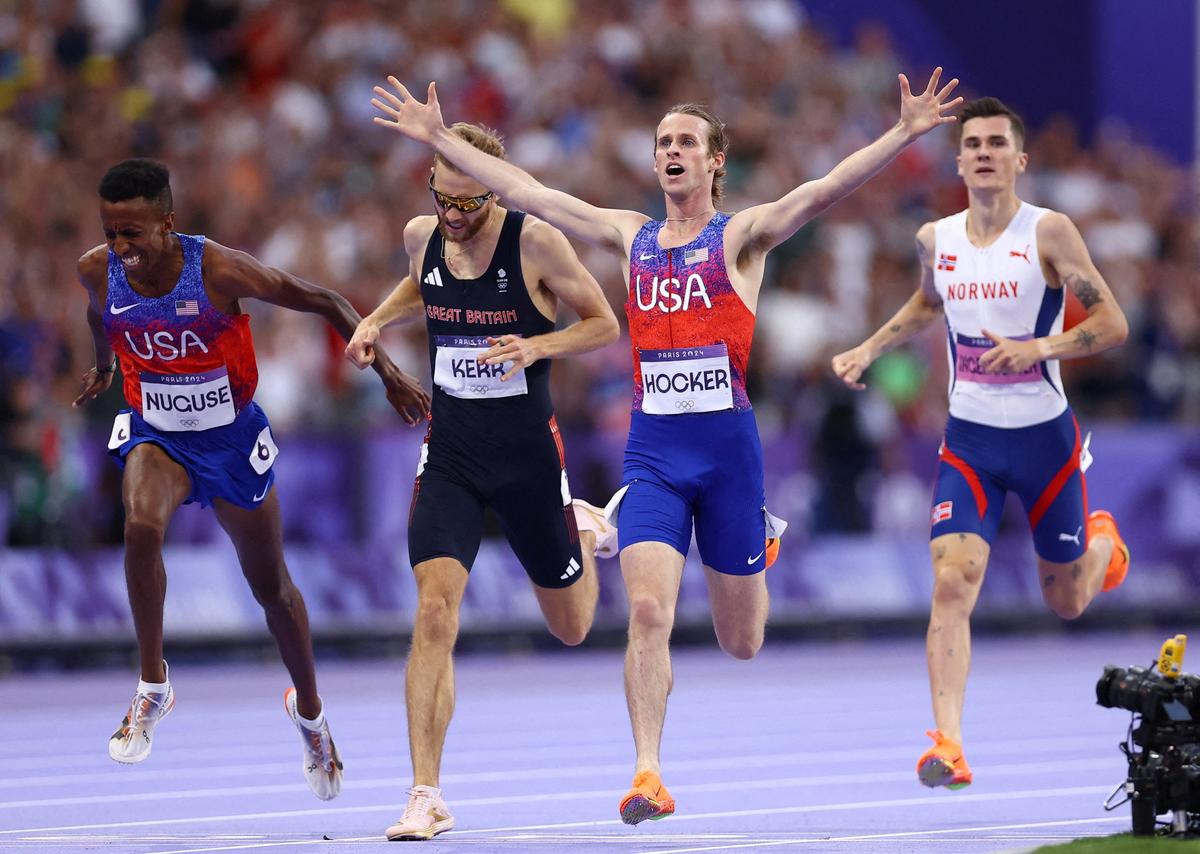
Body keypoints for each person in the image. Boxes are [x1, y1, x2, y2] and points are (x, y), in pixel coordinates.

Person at [370, 68, 961, 823]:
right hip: (653, 452)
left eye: (686, 141)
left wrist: (904, 133)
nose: (672, 151)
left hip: (728, 455)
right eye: (662, 143)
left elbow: (821, 191)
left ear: (715, 161)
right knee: (647, 611)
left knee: (741, 640)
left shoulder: (741, 238)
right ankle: (648, 772)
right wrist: (438, 137)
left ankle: (756, 541)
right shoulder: (630, 236)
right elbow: (527, 193)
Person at [73, 158, 430, 799]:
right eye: (111, 232)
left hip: (230, 439)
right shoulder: (97, 268)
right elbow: (99, 313)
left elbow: (326, 300)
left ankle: (312, 716)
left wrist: (389, 373)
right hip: (157, 430)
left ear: (168, 223)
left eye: (134, 233)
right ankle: (153, 684)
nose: (121, 248)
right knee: (140, 528)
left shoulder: (216, 269)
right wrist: (104, 366)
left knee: (273, 590)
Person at [831, 97, 1131, 789]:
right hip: (969, 439)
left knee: (1066, 601)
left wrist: (1038, 348)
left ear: (1019, 160)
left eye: (999, 142)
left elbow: (1113, 322)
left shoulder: (1049, 233)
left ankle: (1104, 543)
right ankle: (949, 744)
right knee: (951, 583)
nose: (986, 152)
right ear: (959, 159)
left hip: (1043, 441)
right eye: (974, 143)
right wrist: (869, 347)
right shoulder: (936, 239)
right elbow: (928, 304)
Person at [344, 123, 620, 841]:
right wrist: (376, 319)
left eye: (470, 205)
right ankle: (424, 792)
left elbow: (602, 323)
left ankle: (583, 533)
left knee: (572, 626)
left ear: (494, 192)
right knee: (435, 612)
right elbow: (421, 284)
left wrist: (536, 344)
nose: (455, 217)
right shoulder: (422, 234)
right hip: (454, 454)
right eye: (445, 200)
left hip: (530, 458)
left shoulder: (535, 242)